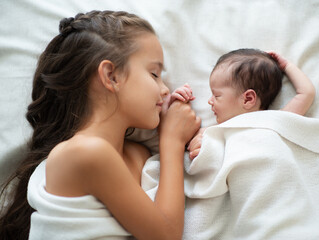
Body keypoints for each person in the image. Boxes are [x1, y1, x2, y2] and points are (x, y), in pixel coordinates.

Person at [0, 10, 200, 240]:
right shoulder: (83, 152)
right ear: (111, 76)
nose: (165, 89)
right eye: (154, 74)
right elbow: (165, 235)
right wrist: (172, 142)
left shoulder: (138, 154)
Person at [182, 48, 315, 159]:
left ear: (248, 99)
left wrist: (287, 66)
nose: (210, 101)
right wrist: (180, 101)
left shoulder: (274, 121)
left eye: (217, 95)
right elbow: (181, 138)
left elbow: (306, 93)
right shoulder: (217, 130)